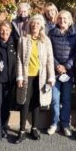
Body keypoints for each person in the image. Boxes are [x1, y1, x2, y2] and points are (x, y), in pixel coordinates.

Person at [15, 14, 55, 144]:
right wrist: (19, 76)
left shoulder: (46, 40)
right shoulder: (23, 39)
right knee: (24, 102)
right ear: (30, 25)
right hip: (27, 75)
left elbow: (50, 60)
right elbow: (19, 59)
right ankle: (21, 130)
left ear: (41, 26)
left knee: (37, 102)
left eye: (38, 24)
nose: (35, 26)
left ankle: (34, 128)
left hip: (41, 76)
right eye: (33, 23)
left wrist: (51, 77)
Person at [47, 10, 76, 137]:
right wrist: (57, 66)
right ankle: (54, 123)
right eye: (60, 18)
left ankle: (65, 124)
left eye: (65, 19)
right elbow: (49, 52)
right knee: (55, 99)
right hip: (54, 71)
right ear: (57, 20)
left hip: (68, 72)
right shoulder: (51, 34)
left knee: (66, 99)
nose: (62, 21)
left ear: (70, 20)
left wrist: (66, 66)